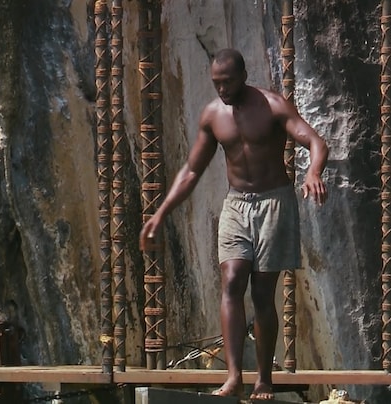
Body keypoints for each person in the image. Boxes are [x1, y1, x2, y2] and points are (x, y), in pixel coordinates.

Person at [139, 48, 328, 400]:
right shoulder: (213, 115)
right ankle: (234, 377)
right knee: (231, 280)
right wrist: (161, 213)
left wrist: (314, 171)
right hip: (236, 204)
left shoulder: (272, 106)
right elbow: (192, 170)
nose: (222, 89)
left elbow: (314, 140)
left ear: (243, 76)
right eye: (217, 83)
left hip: (274, 202)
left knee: (262, 294)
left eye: (227, 82)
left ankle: (264, 379)